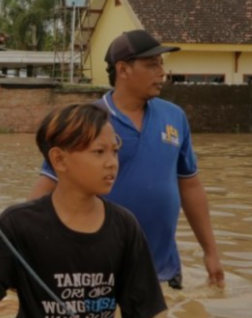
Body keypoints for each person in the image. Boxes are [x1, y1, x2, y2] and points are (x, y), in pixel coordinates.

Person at [0, 104, 166, 318]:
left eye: (114, 151)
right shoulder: (20, 224)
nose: (112, 163)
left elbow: (142, 314)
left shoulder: (125, 226)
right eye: (98, 152)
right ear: (59, 160)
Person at [28, 30, 225, 289]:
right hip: (98, 271)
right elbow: (48, 187)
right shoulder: (87, 121)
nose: (162, 72)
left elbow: (190, 186)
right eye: (152, 64)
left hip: (164, 271)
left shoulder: (174, 116)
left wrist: (210, 251)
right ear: (123, 69)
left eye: (161, 63)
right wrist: (21, 247)